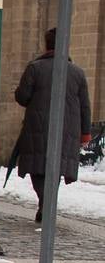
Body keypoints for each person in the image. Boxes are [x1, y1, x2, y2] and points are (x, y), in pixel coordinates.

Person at [14, 26, 93, 223]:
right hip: (66, 129)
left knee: (37, 166)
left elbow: (23, 97)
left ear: (46, 45)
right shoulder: (77, 73)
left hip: (37, 126)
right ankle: (47, 203)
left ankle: (44, 202)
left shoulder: (34, 68)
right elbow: (85, 106)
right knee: (54, 168)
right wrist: (85, 134)